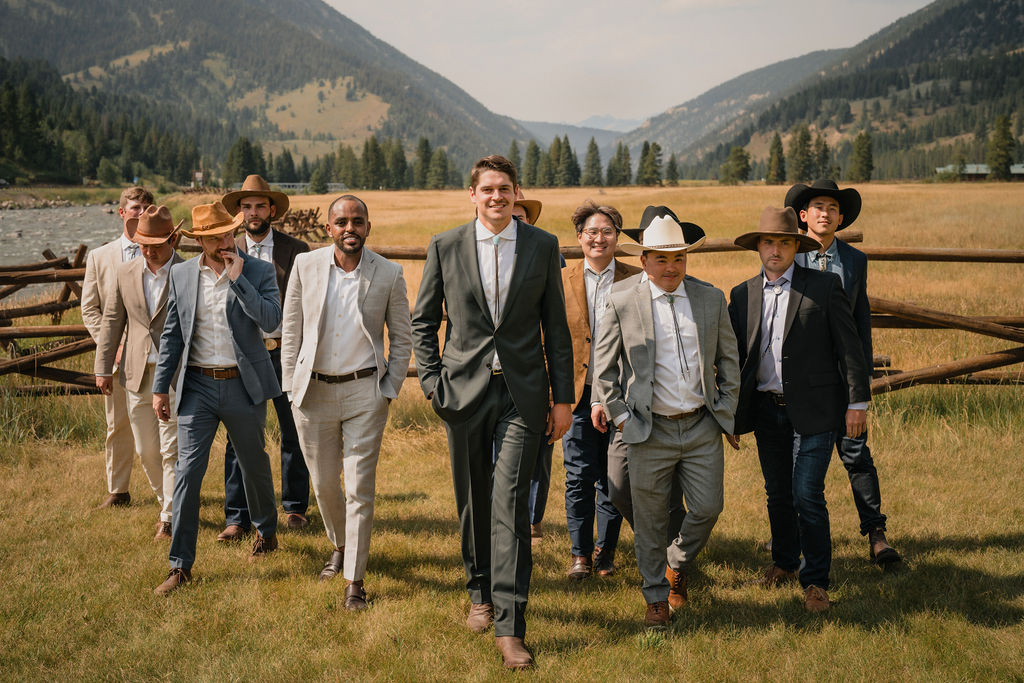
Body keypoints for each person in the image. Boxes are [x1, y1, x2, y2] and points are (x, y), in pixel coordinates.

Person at [411, 155, 573, 669]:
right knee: (473, 499)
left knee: (509, 504)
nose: (497, 196)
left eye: (505, 188)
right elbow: (422, 322)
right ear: (473, 194)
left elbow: (557, 330)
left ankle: (510, 624)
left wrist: (563, 399)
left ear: (516, 192)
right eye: (488, 189)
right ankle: (478, 588)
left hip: (523, 396)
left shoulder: (543, 247)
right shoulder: (446, 246)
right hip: (462, 392)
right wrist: (434, 383)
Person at [591, 206, 740, 629]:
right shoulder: (621, 299)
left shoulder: (710, 298)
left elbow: (729, 361)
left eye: (678, 257)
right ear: (644, 260)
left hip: (700, 424)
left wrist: (723, 412)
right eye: (661, 257)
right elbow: (603, 371)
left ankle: (675, 562)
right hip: (647, 427)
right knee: (651, 517)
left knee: (709, 507)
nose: (671, 266)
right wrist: (621, 419)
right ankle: (655, 596)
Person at [728, 206, 871, 612]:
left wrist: (857, 403)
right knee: (777, 494)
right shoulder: (742, 295)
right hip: (767, 410)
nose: (776, 249)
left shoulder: (823, 287)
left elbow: (850, 348)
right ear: (758, 246)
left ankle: (816, 581)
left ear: (797, 246)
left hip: (816, 410)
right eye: (769, 242)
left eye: (785, 242)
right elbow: (737, 359)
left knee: (806, 493)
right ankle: (785, 563)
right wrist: (732, 415)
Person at [281, 194, 412, 610]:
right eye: (341, 222)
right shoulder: (306, 265)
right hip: (312, 391)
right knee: (322, 484)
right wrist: (290, 385)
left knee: (359, 488)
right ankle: (339, 543)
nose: (349, 228)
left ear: (368, 227)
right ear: (328, 228)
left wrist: (388, 388)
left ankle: (354, 579)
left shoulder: (389, 273)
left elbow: (402, 337)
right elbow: (291, 331)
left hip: (364, 393)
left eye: (357, 221)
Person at [151, 201, 282, 596]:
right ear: (200, 240)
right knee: (188, 471)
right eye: (215, 237)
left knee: (253, 463)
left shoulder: (257, 270)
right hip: (197, 388)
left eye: (228, 233)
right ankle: (180, 566)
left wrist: (239, 279)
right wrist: (161, 387)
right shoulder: (182, 274)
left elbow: (272, 320)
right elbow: (173, 334)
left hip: (244, 385)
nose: (225, 241)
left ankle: (266, 530)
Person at [784, 179, 900, 566]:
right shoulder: (789, 256)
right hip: (803, 382)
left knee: (856, 454)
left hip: (844, 378)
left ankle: (876, 533)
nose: (825, 213)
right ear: (803, 216)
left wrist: (861, 388)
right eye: (817, 206)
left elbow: (860, 323)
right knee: (796, 458)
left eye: (833, 208)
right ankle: (789, 535)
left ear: (841, 217)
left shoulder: (854, 260)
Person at [217, 174, 312, 540]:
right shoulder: (227, 248)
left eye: (259, 205)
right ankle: (237, 517)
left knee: (293, 431)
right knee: (239, 437)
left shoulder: (296, 249)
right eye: (246, 207)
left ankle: (295, 507)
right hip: (244, 354)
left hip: (285, 351)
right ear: (239, 214)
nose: (253, 213)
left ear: (272, 210)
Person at [560, 201, 640, 580]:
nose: (599, 238)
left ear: (617, 238)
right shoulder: (560, 279)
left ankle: (605, 551)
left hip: (620, 394)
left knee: (613, 475)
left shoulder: (636, 278)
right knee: (577, 475)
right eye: (591, 231)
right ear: (579, 237)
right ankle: (580, 554)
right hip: (575, 393)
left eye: (607, 231)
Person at [94, 205, 183, 540]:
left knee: (171, 449)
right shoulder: (125, 272)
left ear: (173, 238)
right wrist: (103, 367)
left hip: (174, 374)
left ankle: (169, 516)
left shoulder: (188, 273)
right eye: (143, 244)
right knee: (147, 450)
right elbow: (112, 322)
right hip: (135, 373)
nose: (149, 251)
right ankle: (167, 501)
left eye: (156, 244)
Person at [81, 186, 153, 508]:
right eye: (135, 207)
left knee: (163, 425)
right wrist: (114, 348)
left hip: (153, 357)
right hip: (117, 357)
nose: (140, 213)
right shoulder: (100, 257)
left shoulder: (160, 252)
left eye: (146, 208)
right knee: (118, 424)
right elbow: (90, 310)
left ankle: (170, 494)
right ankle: (118, 490)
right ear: (122, 212)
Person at [509, 191, 557, 544]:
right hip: (495, 371)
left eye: (521, 216)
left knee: (539, 449)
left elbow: (560, 325)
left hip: (537, 368)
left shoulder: (547, 258)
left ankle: (532, 519)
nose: (515, 221)